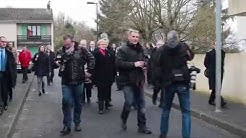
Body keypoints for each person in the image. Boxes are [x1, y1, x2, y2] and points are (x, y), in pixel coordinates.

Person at [157, 30, 194, 138]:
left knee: (166, 110)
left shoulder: (162, 49)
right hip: (182, 81)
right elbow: (191, 56)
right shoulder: (183, 46)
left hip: (168, 82)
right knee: (186, 113)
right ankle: (186, 136)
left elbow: (158, 64)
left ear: (167, 39)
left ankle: (163, 133)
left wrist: (159, 81)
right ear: (177, 38)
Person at [56, 35, 94, 135]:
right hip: (66, 81)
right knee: (66, 101)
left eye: (68, 44)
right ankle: (66, 125)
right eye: (65, 45)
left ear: (73, 42)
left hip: (79, 81)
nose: (67, 46)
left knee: (78, 103)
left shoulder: (81, 50)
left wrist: (89, 70)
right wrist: (57, 63)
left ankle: (77, 122)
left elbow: (91, 59)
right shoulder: (61, 51)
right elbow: (56, 62)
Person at [116, 29, 152, 134]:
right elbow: (119, 63)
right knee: (129, 102)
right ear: (129, 37)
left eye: (137, 37)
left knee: (141, 104)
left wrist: (145, 64)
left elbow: (147, 60)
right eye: (133, 36)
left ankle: (142, 126)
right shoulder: (122, 49)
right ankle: (124, 117)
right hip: (127, 81)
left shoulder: (142, 49)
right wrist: (134, 64)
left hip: (139, 80)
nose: (135, 38)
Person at [93, 39, 115, 114]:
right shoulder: (96, 53)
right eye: (102, 44)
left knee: (107, 90)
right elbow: (94, 65)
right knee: (100, 92)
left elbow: (113, 64)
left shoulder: (109, 53)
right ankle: (100, 107)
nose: (104, 46)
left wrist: (114, 74)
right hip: (99, 76)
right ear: (99, 45)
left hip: (108, 75)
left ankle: (107, 103)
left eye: (105, 44)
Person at [204, 42, 226, 107]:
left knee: (217, 87)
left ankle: (211, 100)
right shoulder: (209, 53)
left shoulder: (223, 52)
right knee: (214, 87)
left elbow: (222, 62)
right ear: (213, 45)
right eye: (216, 45)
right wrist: (210, 68)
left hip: (220, 72)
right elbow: (205, 63)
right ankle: (221, 101)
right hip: (212, 72)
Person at [0, 36, 17, 114]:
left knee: (5, 90)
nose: (4, 43)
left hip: (6, 74)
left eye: (5, 42)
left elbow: (13, 66)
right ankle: (0, 106)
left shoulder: (9, 54)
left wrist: (14, 76)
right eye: (2, 41)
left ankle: (5, 103)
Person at [150, 40, 165, 108]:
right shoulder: (153, 52)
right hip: (156, 74)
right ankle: (154, 97)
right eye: (159, 44)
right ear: (156, 45)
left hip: (164, 74)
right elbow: (151, 64)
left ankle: (162, 103)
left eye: (161, 44)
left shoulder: (165, 52)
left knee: (164, 90)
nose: (160, 46)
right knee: (156, 88)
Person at [79, 39, 93, 104]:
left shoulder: (88, 52)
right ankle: (82, 99)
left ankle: (88, 98)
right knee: (82, 86)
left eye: (84, 44)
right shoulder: (78, 52)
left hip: (87, 71)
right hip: (80, 72)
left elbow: (92, 61)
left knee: (88, 86)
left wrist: (89, 70)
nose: (82, 46)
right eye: (81, 44)